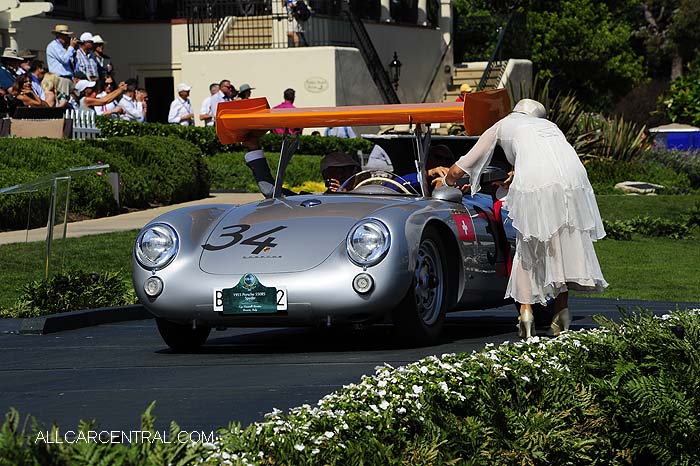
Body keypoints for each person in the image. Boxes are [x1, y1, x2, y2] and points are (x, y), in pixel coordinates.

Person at [441, 99, 608, 339]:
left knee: (527, 246)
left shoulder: (503, 125)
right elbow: (551, 163)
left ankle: (526, 314)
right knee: (563, 244)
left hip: (536, 183)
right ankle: (561, 314)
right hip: (575, 182)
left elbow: (461, 168)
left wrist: (446, 184)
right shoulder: (550, 128)